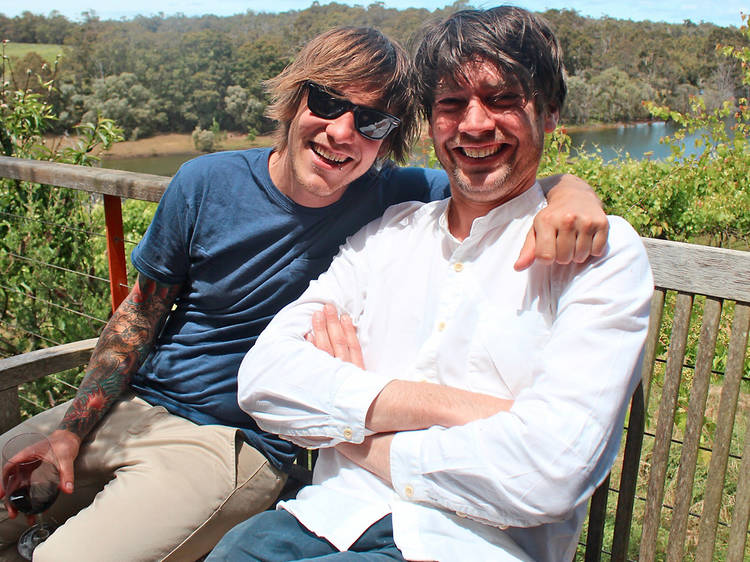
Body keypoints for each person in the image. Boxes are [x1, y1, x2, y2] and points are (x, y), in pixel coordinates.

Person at [0, 25, 608, 562]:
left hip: (234, 446)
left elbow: (495, 172)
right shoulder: (204, 183)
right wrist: (73, 430)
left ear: (386, 141)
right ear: (296, 100)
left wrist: (569, 190)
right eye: (328, 101)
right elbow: (140, 314)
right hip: (134, 409)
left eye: (372, 122)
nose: (342, 133)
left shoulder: (391, 199)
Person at [212, 7, 654, 562]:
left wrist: (345, 426)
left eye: (502, 99)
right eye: (450, 103)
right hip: (323, 517)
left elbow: (548, 472)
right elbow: (263, 379)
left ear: (550, 113)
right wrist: (460, 409)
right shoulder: (387, 236)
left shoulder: (598, 256)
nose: (473, 124)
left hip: (469, 543)